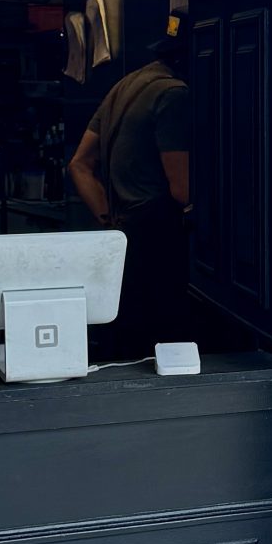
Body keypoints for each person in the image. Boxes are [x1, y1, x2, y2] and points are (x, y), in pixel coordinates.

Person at [69, 23, 190, 355]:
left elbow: (79, 164)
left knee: (126, 341)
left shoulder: (125, 85)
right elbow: (182, 189)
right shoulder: (174, 94)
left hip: (123, 233)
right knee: (162, 345)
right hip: (158, 235)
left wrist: (109, 220)